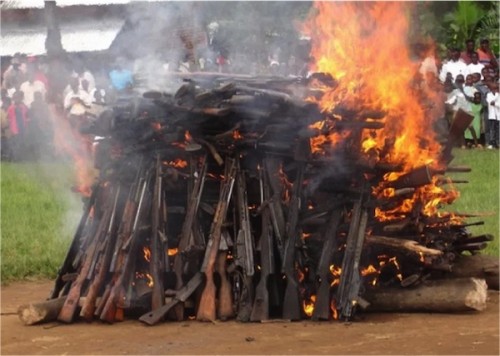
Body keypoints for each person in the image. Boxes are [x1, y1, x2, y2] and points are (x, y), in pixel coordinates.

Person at [6, 91, 29, 161]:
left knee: (21, 143)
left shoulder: (24, 107)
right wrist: (10, 129)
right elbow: (8, 119)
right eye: (15, 98)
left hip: (22, 128)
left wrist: (26, 127)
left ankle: (21, 158)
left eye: (18, 98)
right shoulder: (11, 108)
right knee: (15, 144)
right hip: (14, 129)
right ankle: (14, 158)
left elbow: (26, 117)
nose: (17, 99)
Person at [486, 82, 500, 149]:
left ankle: (497, 143)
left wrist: (496, 103)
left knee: (498, 130)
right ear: (490, 89)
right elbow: (490, 102)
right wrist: (496, 97)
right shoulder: (488, 95)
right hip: (492, 116)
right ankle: (492, 142)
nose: (495, 90)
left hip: (498, 116)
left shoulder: (499, 95)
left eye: (496, 88)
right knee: (492, 129)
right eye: (493, 88)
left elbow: (499, 105)